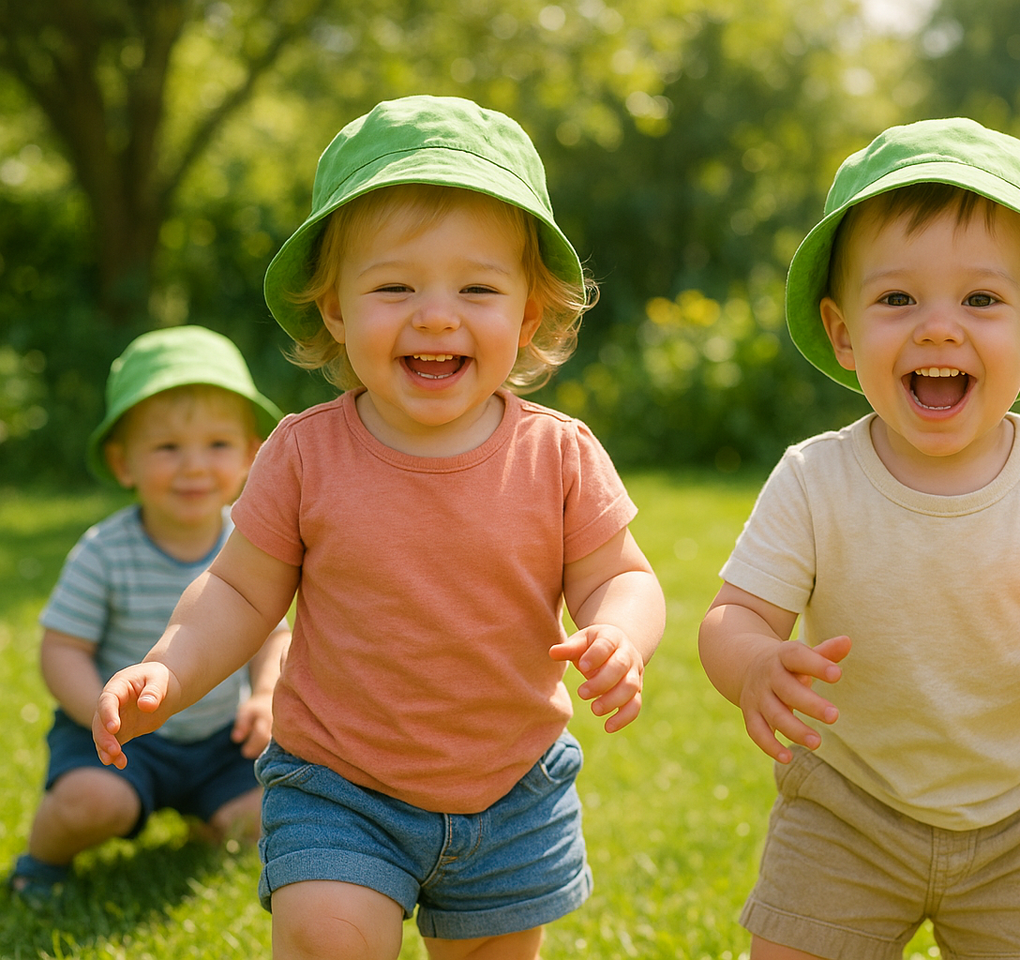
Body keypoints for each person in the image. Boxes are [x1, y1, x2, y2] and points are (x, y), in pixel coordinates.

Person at [91, 95, 664, 960]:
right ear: (335, 312)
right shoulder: (303, 453)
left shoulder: (559, 456)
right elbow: (241, 588)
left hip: (512, 787)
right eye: (394, 286)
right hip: (339, 786)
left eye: (477, 288)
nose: (436, 314)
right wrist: (169, 670)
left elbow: (622, 574)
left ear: (529, 317)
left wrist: (620, 632)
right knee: (328, 937)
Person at [697, 118, 1020, 960]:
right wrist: (752, 662)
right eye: (897, 298)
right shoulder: (816, 478)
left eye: (981, 299)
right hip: (847, 809)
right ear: (843, 331)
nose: (937, 328)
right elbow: (731, 615)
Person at [7, 325, 289, 908]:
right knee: (95, 802)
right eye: (166, 448)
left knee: (270, 817)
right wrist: (100, 715)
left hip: (219, 737)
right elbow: (62, 646)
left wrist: (265, 696)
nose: (193, 466)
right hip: (118, 738)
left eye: (217, 445)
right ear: (123, 462)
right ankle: (42, 862)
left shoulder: (251, 542)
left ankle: (208, 816)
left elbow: (271, 635)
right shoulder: (105, 550)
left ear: (252, 456)